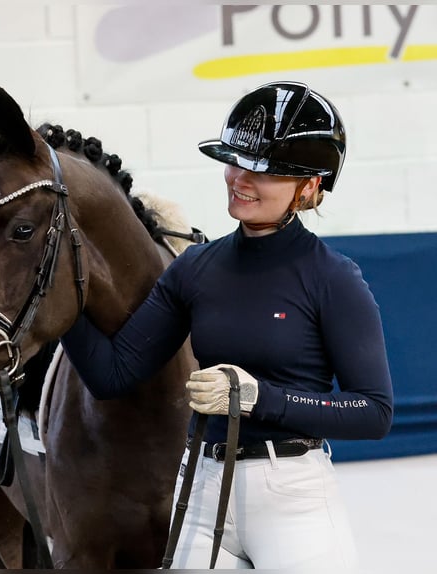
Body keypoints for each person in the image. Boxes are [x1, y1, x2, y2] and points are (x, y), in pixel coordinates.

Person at [60, 81, 393, 570]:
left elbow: (373, 412)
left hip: (291, 497)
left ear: (310, 187)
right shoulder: (195, 268)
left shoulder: (332, 278)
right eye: (236, 160)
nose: (240, 178)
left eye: (264, 170)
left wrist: (261, 398)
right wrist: (66, 297)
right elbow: (113, 374)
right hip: (200, 488)